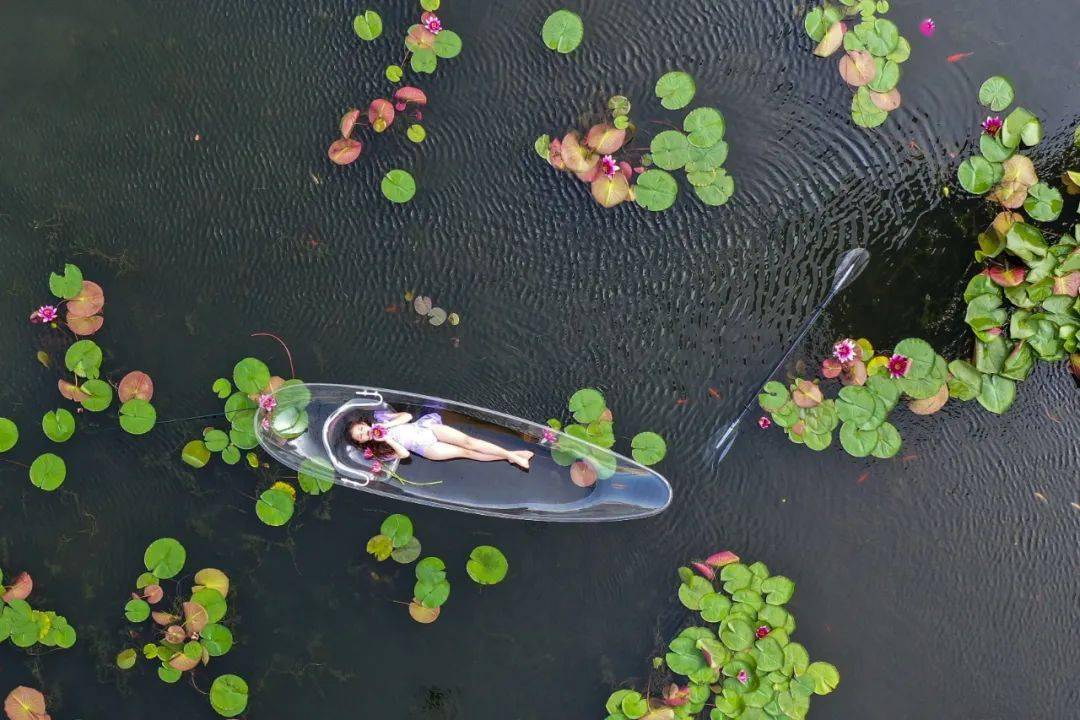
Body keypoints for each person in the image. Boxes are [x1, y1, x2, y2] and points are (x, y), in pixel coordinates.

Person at [347, 410, 533, 469]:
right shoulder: (379, 451)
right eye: (360, 436)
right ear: (361, 442)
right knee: (466, 452)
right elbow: (404, 455)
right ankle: (510, 456)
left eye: (362, 429)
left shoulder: (381, 419)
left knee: (469, 441)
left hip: (426, 429)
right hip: (424, 448)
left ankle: (512, 456)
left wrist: (386, 427)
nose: (364, 433)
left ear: (365, 424)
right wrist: (387, 440)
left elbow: (407, 416)